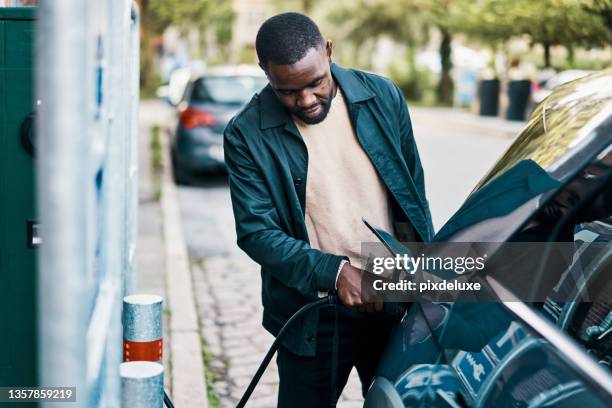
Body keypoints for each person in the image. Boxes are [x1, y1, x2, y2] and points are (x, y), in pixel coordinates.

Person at [223, 12, 433, 407]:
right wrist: (336, 272)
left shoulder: (383, 96)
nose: (305, 100)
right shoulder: (245, 133)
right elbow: (256, 232)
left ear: (330, 53)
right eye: (287, 91)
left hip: (395, 299)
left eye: (315, 83)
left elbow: (413, 198)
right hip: (312, 315)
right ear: (264, 72)